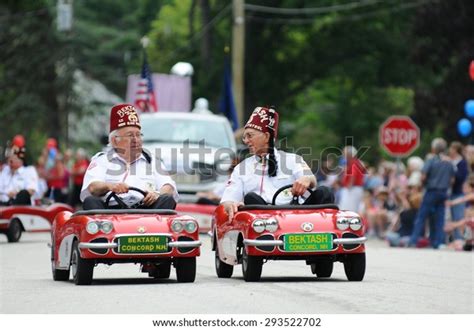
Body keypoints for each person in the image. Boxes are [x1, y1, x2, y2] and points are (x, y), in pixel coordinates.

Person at [220, 106, 334, 220]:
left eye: (249, 136)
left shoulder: (292, 159)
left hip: (298, 215)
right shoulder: (241, 168)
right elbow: (228, 199)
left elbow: (311, 179)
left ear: (266, 136)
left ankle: (325, 230)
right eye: (244, 137)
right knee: (251, 198)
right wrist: (230, 205)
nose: (245, 141)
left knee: (325, 192)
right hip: (263, 220)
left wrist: (306, 180)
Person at [80, 104, 178, 210]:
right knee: (90, 201)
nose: (136, 140)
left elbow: (168, 186)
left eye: (138, 135)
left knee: (167, 199)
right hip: (109, 214)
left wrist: (157, 193)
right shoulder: (101, 161)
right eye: (130, 135)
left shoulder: (152, 161)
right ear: (115, 141)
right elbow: (93, 187)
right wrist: (110, 186)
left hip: (147, 213)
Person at [409, 138, 456, 249]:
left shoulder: (431, 160)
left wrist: (423, 183)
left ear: (434, 148)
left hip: (431, 190)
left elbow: (423, 176)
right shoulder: (449, 162)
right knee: (440, 218)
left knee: (421, 217)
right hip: (443, 192)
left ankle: (413, 241)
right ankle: (438, 242)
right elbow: (452, 180)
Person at [448, 141, 468, 241]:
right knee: (452, 217)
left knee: (458, 216)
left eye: (451, 148)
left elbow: (461, 178)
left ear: (455, 150)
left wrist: (453, 170)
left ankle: (459, 238)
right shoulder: (450, 161)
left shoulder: (462, 163)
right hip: (449, 193)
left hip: (458, 192)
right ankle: (454, 238)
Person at [338, 146, 366, 212]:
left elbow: (353, 175)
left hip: (352, 189)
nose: (344, 156)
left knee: (349, 209)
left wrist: (349, 185)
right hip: (353, 188)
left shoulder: (354, 162)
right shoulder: (354, 162)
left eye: (345, 154)